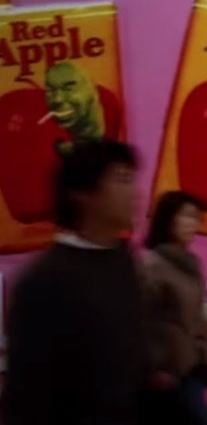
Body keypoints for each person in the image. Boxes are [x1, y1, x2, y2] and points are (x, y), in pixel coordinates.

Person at [1, 140, 144, 424]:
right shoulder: (45, 281)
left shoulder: (124, 262)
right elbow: (28, 394)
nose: (135, 193)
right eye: (121, 179)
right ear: (82, 193)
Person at [141, 190, 207, 425]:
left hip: (191, 370)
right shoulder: (151, 265)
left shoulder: (192, 268)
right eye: (186, 216)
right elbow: (139, 321)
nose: (192, 224)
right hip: (163, 377)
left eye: (196, 217)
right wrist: (153, 368)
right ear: (168, 219)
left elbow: (191, 320)